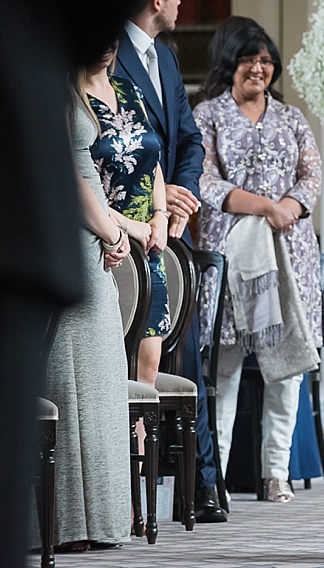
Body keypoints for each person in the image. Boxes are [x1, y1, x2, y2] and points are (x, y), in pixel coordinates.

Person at [193, 22, 324, 503]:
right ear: (230, 63)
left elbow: (311, 173)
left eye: (267, 60)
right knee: (224, 367)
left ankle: (275, 474)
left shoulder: (291, 118)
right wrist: (263, 207)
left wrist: (288, 206)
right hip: (231, 258)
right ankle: (219, 478)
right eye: (249, 59)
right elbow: (204, 181)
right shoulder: (207, 115)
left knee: (286, 366)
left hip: (289, 256)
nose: (259, 68)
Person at [114, 0, 227, 522]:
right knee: (134, 364)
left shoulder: (166, 56)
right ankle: (122, 495)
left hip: (166, 225)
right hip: (120, 227)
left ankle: (201, 488)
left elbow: (187, 139)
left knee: (186, 356)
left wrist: (179, 195)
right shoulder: (108, 52)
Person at [41, 52, 134, 553]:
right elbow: (63, 173)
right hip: (71, 230)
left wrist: (111, 228)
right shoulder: (49, 79)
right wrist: (109, 228)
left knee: (99, 380)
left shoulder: (77, 81)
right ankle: (69, 524)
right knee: (73, 379)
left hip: (93, 231)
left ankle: (101, 520)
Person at [87, 40, 170, 390]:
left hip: (148, 244)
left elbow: (153, 160)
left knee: (146, 369)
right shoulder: (69, 98)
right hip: (103, 244)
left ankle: (138, 448)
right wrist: (124, 225)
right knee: (108, 374)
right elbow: (74, 179)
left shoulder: (127, 87)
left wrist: (161, 215)